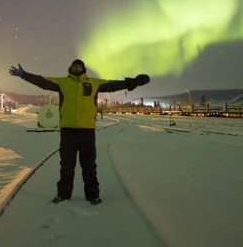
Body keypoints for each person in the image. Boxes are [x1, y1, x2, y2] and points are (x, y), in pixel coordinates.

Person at [9, 59, 150, 205]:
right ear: (71, 68)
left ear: (83, 68)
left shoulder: (94, 83)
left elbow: (114, 85)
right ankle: (63, 194)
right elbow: (42, 81)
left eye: (79, 66)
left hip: (87, 131)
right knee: (67, 165)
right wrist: (24, 74)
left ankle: (93, 195)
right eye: (74, 66)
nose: (76, 68)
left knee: (89, 165)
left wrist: (135, 82)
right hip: (68, 130)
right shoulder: (62, 82)